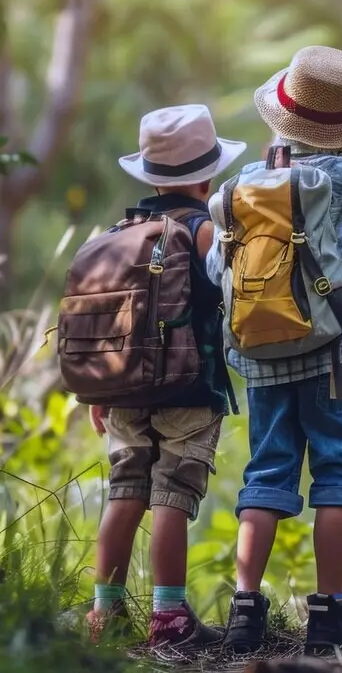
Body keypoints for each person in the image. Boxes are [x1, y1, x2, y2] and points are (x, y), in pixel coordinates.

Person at [210, 46, 342, 655]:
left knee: (266, 475)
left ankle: (245, 613)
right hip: (330, 357)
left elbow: (213, 268)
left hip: (260, 360)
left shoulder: (239, 187)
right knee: (335, 473)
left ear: (282, 116)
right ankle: (328, 617)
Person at [71, 104, 246, 651]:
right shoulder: (203, 230)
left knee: (126, 489)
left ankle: (106, 613)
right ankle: (169, 618)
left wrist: (101, 389)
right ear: (205, 176)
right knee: (174, 493)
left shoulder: (119, 231)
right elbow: (230, 296)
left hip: (121, 386)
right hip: (189, 387)